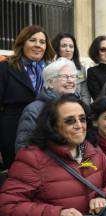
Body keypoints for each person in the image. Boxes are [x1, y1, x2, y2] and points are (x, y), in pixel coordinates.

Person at [0, 94, 106, 216]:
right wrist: (57, 215)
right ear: (52, 125)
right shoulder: (33, 158)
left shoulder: (90, 150)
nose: (79, 126)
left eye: (82, 119)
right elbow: (8, 205)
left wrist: (105, 198)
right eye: (70, 121)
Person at [0, 25, 54, 171]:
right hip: (12, 135)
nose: (38, 45)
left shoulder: (51, 71)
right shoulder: (5, 68)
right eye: (32, 40)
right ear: (22, 43)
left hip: (46, 135)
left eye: (42, 42)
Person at [15, 57, 78, 152]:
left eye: (73, 76)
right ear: (50, 82)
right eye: (64, 76)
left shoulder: (79, 106)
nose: (70, 80)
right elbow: (23, 148)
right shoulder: (34, 110)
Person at [52, 33, 91, 104]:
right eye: (64, 46)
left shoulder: (80, 68)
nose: (68, 49)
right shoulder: (50, 67)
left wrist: (84, 109)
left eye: (71, 46)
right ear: (57, 48)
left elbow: (85, 94)